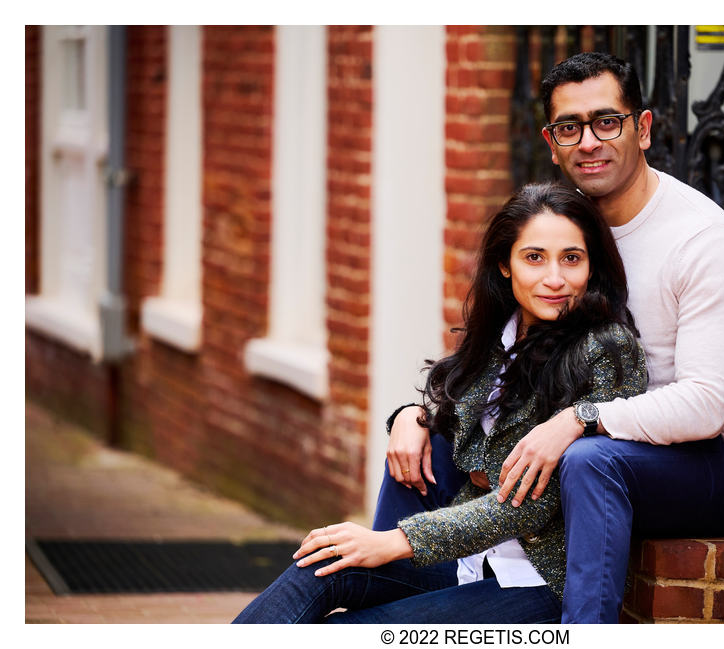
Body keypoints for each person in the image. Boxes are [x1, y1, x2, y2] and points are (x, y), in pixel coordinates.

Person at [233, 182, 647, 623]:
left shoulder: (607, 348)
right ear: (505, 266)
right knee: (318, 566)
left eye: (571, 258)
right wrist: (411, 417)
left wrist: (395, 541)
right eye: (534, 257)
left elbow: (534, 501)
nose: (554, 279)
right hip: (469, 562)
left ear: (591, 265)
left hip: (536, 579)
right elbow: (453, 414)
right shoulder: (502, 337)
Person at [490, 51, 724, 623]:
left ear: (641, 129)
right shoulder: (566, 228)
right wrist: (416, 416)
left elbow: (704, 405)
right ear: (553, 142)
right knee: (424, 445)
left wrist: (578, 418)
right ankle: (384, 583)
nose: (588, 141)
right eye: (570, 127)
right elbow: (505, 347)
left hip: (712, 464)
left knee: (590, 462)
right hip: (600, 445)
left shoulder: (702, 239)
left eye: (606, 122)